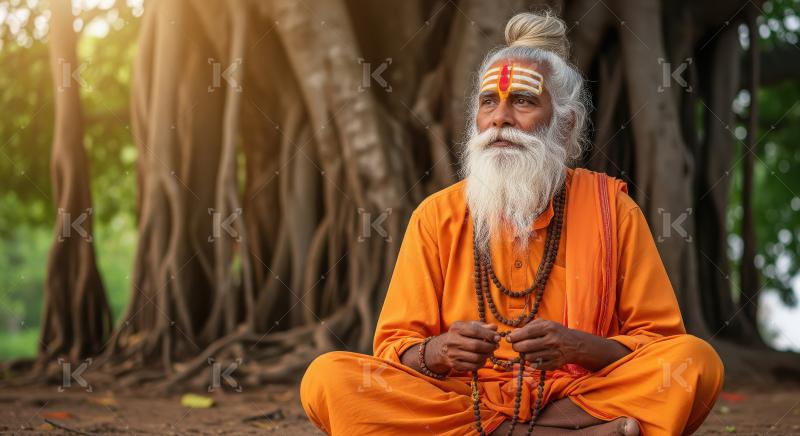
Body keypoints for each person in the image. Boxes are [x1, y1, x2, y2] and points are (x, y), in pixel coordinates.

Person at [300, 10, 724, 435]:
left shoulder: (612, 210)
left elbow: (657, 342)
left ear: (566, 123)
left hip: (575, 394)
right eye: (489, 103)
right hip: (461, 400)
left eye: (522, 101)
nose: (500, 118)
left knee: (693, 362)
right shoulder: (436, 215)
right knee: (328, 378)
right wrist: (438, 351)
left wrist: (579, 347)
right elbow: (394, 352)